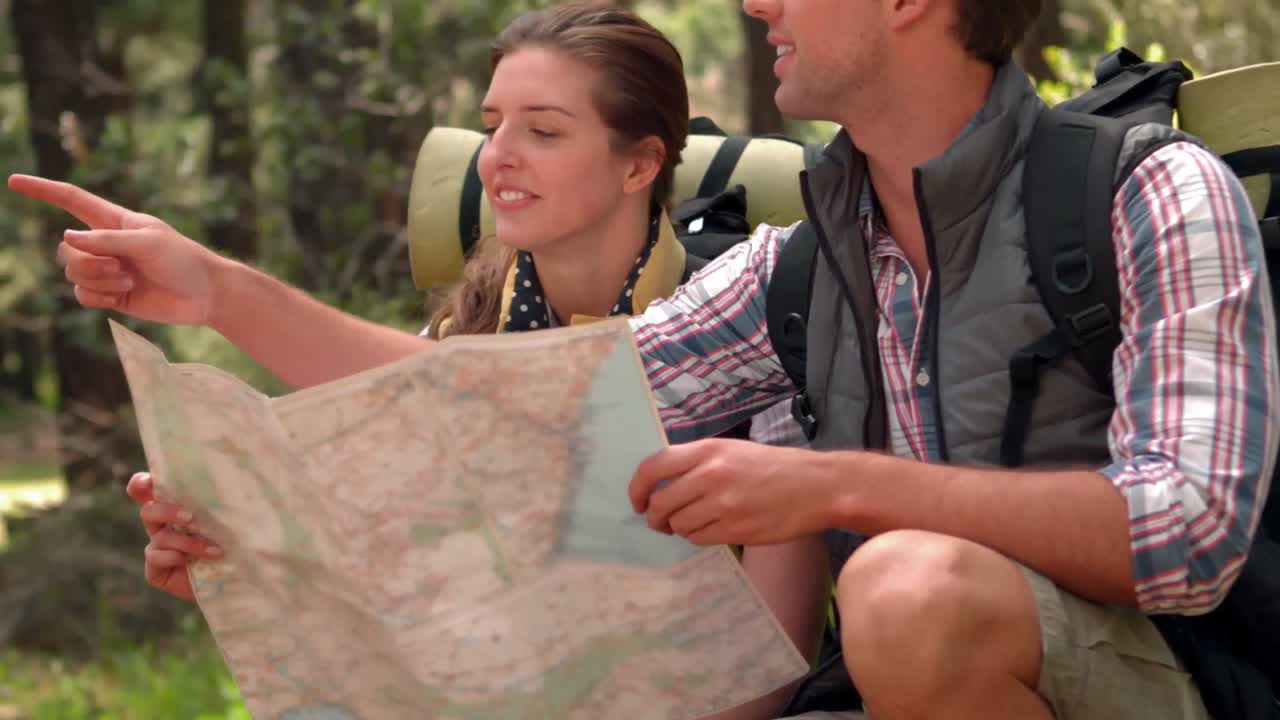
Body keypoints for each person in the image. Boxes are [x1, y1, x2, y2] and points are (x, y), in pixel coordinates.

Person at [13, 1, 1279, 719]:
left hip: (1156, 683)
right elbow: (497, 415)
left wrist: (840, 490)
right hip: (894, 688)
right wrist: (217, 297)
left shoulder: (1147, 194)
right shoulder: (798, 260)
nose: (757, 5)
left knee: (904, 591)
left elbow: (1185, 534)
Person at [8, 4, 825, 720]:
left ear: (640, 164)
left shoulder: (746, 341)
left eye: (541, 130)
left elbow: (765, 675)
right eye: (492, 123)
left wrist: (220, 290)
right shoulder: (462, 340)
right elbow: (402, 629)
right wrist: (240, 575)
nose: (497, 155)